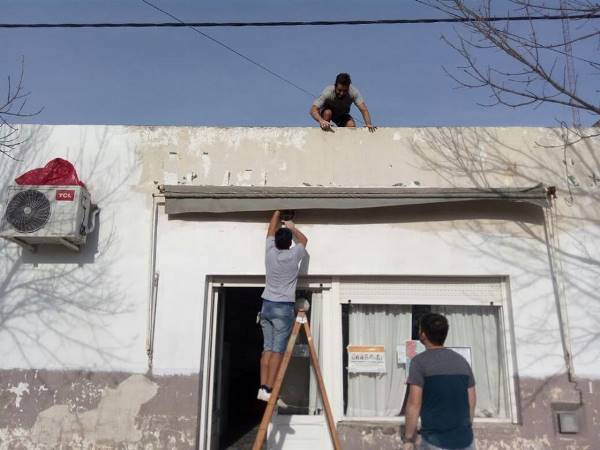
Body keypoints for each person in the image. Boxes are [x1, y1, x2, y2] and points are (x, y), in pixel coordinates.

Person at [403, 313, 477, 450]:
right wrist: (465, 428)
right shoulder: (462, 361)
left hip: (435, 442)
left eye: (419, 329)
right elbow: (471, 402)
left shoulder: (419, 362)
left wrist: (408, 438)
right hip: (466, 440)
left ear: (423, 335)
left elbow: (414, 404)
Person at [257, 210, 308, 402]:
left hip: (267, 305)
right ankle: (269, 389)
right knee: (278, 350)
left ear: (276, 242)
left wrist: (277, 213)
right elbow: (304, 240)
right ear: (289, 244)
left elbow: (270, 229)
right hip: (283, 308)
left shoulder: (269, 253)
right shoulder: (294, 255)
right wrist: (292, 226)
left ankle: (262, 387)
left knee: (267, 349)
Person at [310, 73, 377, 132]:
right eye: (339, 90)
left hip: (342, 115)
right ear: (335, 86)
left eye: (345, 91)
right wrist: (321, 120)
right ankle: (325, 132)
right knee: (328, 113)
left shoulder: (353, 92)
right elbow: (313, 109)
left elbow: (363, 109)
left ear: (348, 88)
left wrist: (368, 124)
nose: (342, 93)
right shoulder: (328, 92)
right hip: (327, 113)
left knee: (351, 125)